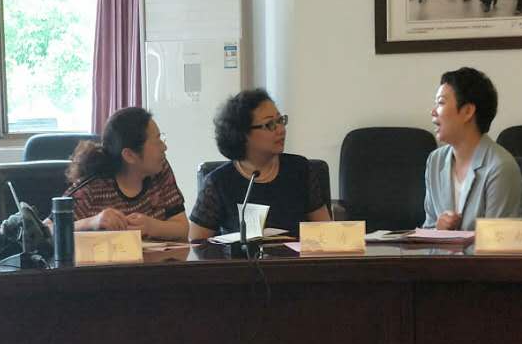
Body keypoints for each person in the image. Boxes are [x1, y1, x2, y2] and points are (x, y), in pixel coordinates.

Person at [187, 89, 331, 240]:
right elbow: (196, 244)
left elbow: (327, 234)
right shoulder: (219, 182)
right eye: (270, 124)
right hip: (240, 256)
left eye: (280, 120)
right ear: (242, 134)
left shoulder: (300, 169)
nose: (281, 130)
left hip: (295, 255)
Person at [421, 67, 522, 229]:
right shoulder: (435, 161)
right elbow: (427, 230)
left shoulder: (500, 167)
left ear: (468, 111)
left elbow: (500, 239)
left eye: (441, 103)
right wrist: (438, 230)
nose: (433, 112)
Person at [65, 106, 189, 240]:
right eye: (157, 141)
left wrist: (152, 227)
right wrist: (92, 222)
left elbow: (183, 229)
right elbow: (50, 230)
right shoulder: (92, 187)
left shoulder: (160, 170)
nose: (164, 147)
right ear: (129, 155)